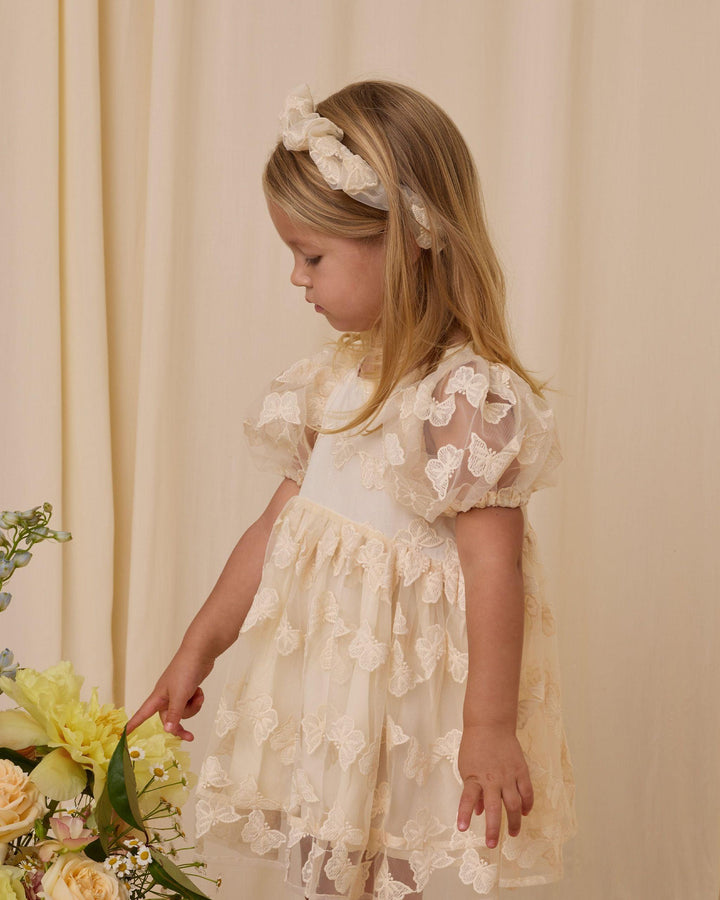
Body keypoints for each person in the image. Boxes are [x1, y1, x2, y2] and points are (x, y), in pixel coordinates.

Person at [127, 81, 576, 899]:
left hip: (405, 708)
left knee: (385, 873)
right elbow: (276, 530)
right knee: (326, 875)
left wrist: (487, 725)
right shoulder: (334, 382)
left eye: (312, 256)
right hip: (328, 697)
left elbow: (492, 569)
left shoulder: (459, 399)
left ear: (405, 240)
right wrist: (198, 646)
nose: (297, 280)